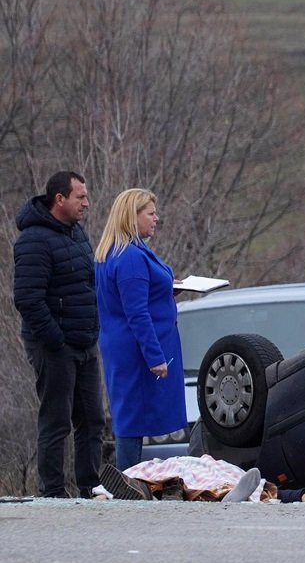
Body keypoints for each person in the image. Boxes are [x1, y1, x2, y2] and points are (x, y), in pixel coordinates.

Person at [12, 171, 105, 498]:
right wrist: (56, 340)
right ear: (59, 199)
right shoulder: (34, 240)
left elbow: (86, 285)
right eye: (80, 196)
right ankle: (52, 493)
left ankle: (90, 488)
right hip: (54, 346)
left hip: (85, 342)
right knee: (56, 422)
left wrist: (90, 331)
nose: (87, 203)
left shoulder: (76, 234)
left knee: (93, 420)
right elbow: (27, 299)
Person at [94, 189, 187, 471]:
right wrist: (154, 356)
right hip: (138, 351)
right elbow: (136, 313)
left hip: (124, 347)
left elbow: (137, 297)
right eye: (150, 213)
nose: (156, 219)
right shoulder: (130, 257)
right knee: (132, 421)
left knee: (130, 416)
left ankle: (133, 481)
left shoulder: (115, 252)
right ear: (131, 217)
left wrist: (166, 290)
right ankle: (127, 483)